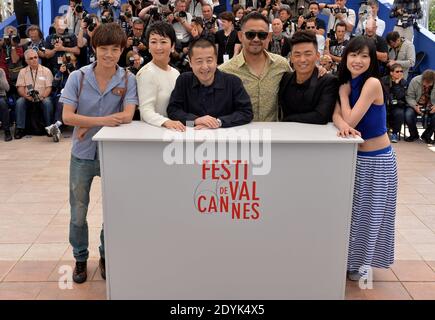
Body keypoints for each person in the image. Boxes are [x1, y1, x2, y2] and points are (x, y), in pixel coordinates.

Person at [60, 23, 138, 284]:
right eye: (103, 48)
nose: (109, 54)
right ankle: (80, 258)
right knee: (78, 211)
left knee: (112, 210)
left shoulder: (128, 79)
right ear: (94, 49)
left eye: (114, 49)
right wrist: (96, 121)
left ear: (122, 50)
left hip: (111, 154)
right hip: (81, 155)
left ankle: (106, 255)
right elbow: (67, 117)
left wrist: (87, 123)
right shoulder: (78, 77)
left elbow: (127, 116)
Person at [332, 36, 397, 281]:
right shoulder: (349, 82)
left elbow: (347, 119)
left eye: (364, 56)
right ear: (346, 56)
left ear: (371, 61)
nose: (357, 60)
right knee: (355, 215)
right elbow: (337, 116)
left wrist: (344, 97)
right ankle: (351, 261)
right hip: (357, 159)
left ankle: (361, 264)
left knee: (369, 216)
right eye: (353, 55)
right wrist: (343, 114)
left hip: (377, 161)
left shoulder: (370, 83)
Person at [219, 12, 291, 122]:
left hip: (273, 136)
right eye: (250, 34)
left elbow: (299, 83)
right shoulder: (224, 71)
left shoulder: (281, 64)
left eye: (262, 35)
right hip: (239, 135)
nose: (256, 39)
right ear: (240, 36)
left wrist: (318, 71)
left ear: (268, 37)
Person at [167, 38, 253, 128]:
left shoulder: (233, 82)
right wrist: (195, 121)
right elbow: (173, 111)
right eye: (199, 61)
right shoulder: (184, 80)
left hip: (225, 137)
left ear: (216, 60)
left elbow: (246, 113)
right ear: (190, 62)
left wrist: (218, 122)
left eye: (209, 60)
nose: (205, 67)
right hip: (191, 136)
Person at [278, 31, 338, 124]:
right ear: (292, 58)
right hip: (286, 135)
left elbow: (321, 116)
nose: (302, 60)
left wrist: (287, 120)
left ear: (317, 56)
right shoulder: (286, 78)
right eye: (297, 55)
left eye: (308, 54)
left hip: (316, 137)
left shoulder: (328, 82)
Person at [136, 22, 184, 131]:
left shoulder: (176, 73)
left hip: (175, 130)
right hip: (154, 132)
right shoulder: (146, 73)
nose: (158, 47)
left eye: (163, 42)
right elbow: (146, 111)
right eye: (153, 42)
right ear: (148, 47)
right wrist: (166, 122)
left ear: (172, 46)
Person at [14, 49, 54, 140]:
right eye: (31, 58)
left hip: (43, 96)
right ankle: (20, 128)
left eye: (35, 57)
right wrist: (25, 96)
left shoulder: (46, 71)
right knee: (20, 101)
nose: (34, 60)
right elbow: (20, 88)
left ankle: (49, 127)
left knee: (47, 102)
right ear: (26, 61)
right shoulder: (22, 72)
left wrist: (42, 96)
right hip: (28, 97)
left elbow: (49, 88)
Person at [404, 70, 435, 143]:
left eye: (429, 84)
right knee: (408, 115)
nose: (427, 86)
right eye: (425, 84)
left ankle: (427, 135)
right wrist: (415, 106)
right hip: (416, 104)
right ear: (422, 79)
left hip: (432, 105)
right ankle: (414, 135)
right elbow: (409, 97)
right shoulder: (415, 81)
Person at [382, 63, 408, 143]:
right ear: (391, 73)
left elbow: (400, 96)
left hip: (397, 105)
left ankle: (394, 133)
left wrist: (396, 84)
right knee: (382, 111)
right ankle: (383, 133)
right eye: (397, 71)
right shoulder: (384, 80)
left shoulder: (404, 82)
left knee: (399, 113)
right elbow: (384, 94)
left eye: (401, 71)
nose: (400, 73)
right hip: (385, 103)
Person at [0, 68, 11, 141]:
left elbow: (7, 88)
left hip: (1, 96)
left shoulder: (0, 71)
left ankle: (7, 131)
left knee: (2, 103)